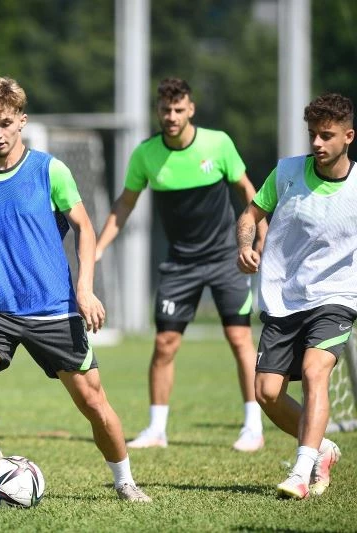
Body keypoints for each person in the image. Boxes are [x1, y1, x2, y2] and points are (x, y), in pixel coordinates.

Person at [0, 77, 150, 502]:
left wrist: (85, 289)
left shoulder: (49, 170)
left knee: (93, 403)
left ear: (21, 121)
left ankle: (125, 481)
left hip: (54, 309)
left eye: (5, 123)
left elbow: (85, 229)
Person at [95, 78, 267, 452]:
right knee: (165, 343)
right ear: (157, 111)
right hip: (180, 264)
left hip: (224, 258)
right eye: (165, 110)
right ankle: (157, 430)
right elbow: (124, 204)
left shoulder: (217, 144)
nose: (171, 117)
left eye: (178, 110)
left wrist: (259, 235)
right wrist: (98, 247)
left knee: (239, 338)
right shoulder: (146, 154)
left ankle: (253, 427)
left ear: (190, 109)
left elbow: (248, 193)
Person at [236, 93, 356, 499]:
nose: (317, 143)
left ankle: (301, 472)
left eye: (327, 135)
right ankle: (322, 449)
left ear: (348, 137)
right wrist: (245, 245)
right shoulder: (287, 172)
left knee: (315, 371)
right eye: (312, 135)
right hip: (285, 297)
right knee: (267, 393)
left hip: (336, 297)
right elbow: (251, 214)